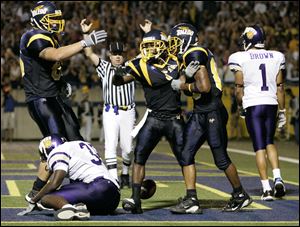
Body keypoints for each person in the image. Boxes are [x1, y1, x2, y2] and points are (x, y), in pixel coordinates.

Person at [19, 1, 107, 201]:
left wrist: (61, 83)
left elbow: (48, 68)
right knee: (57, 146)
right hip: (41, 99)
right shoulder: (33, 36)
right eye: (52, 19)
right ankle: (37, 192)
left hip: (54, 97)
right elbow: (55, 55)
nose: (57, 23)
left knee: (77, 143)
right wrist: (85, 42)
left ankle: (80, 188)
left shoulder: (50, 36)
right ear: (40, 20)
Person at [169, 23, 252, 213]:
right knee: (185, 153)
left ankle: (240, 194)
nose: (173, 45)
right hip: (201, 111)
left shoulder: (195, 53)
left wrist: (183, 85)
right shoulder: (190, 54)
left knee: (220, 159)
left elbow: (205, 88)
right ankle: (191, 199)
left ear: (186, 39)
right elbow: (196, 89)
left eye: (176, 41)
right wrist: (186, 78)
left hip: (212, 110)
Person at [113, 29, 184, 214]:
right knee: (140, 157)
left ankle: (191, 197)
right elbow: (119, 81)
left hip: (174, 118)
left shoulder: (176, 60)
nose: (150, 49)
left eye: (153, 45)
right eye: (147, 46)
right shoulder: (141, 65)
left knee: (186, 159)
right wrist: (118, 71)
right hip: (153, 118)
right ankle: (136, 200)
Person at [228, 24, 286, 201]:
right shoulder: (277, 56)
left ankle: (266, 188)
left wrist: (240, 106)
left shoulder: (239, 57)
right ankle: (278, 178)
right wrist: (282, 111)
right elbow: (280, 87)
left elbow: (239, 89)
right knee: (270, 142)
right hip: (271, 102)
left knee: (259, 147)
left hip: (253, 103)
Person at [81, 19, 136, 188]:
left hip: (128, 111)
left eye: (120, 53)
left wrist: (149, 34)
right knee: (110, 145)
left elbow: (147, 56)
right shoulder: (104, 67)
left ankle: (125, 172)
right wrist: (86, 33)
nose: (118, 56)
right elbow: (89, 53)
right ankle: (114, 179)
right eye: (115, 53)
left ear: (124, 55)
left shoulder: (132, 67)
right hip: (110, 111)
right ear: (109, 55)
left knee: (128, 149)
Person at [21, 134, 120, 221]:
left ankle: (68, 208)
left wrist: (34, 199)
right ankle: (78, 208)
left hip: (96, 187)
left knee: (46, 197)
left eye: (42, 155)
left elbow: (54, 183)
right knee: (68, 189)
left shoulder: (58, 151)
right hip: (113, 198)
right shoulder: (82, 145)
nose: (42, 159)